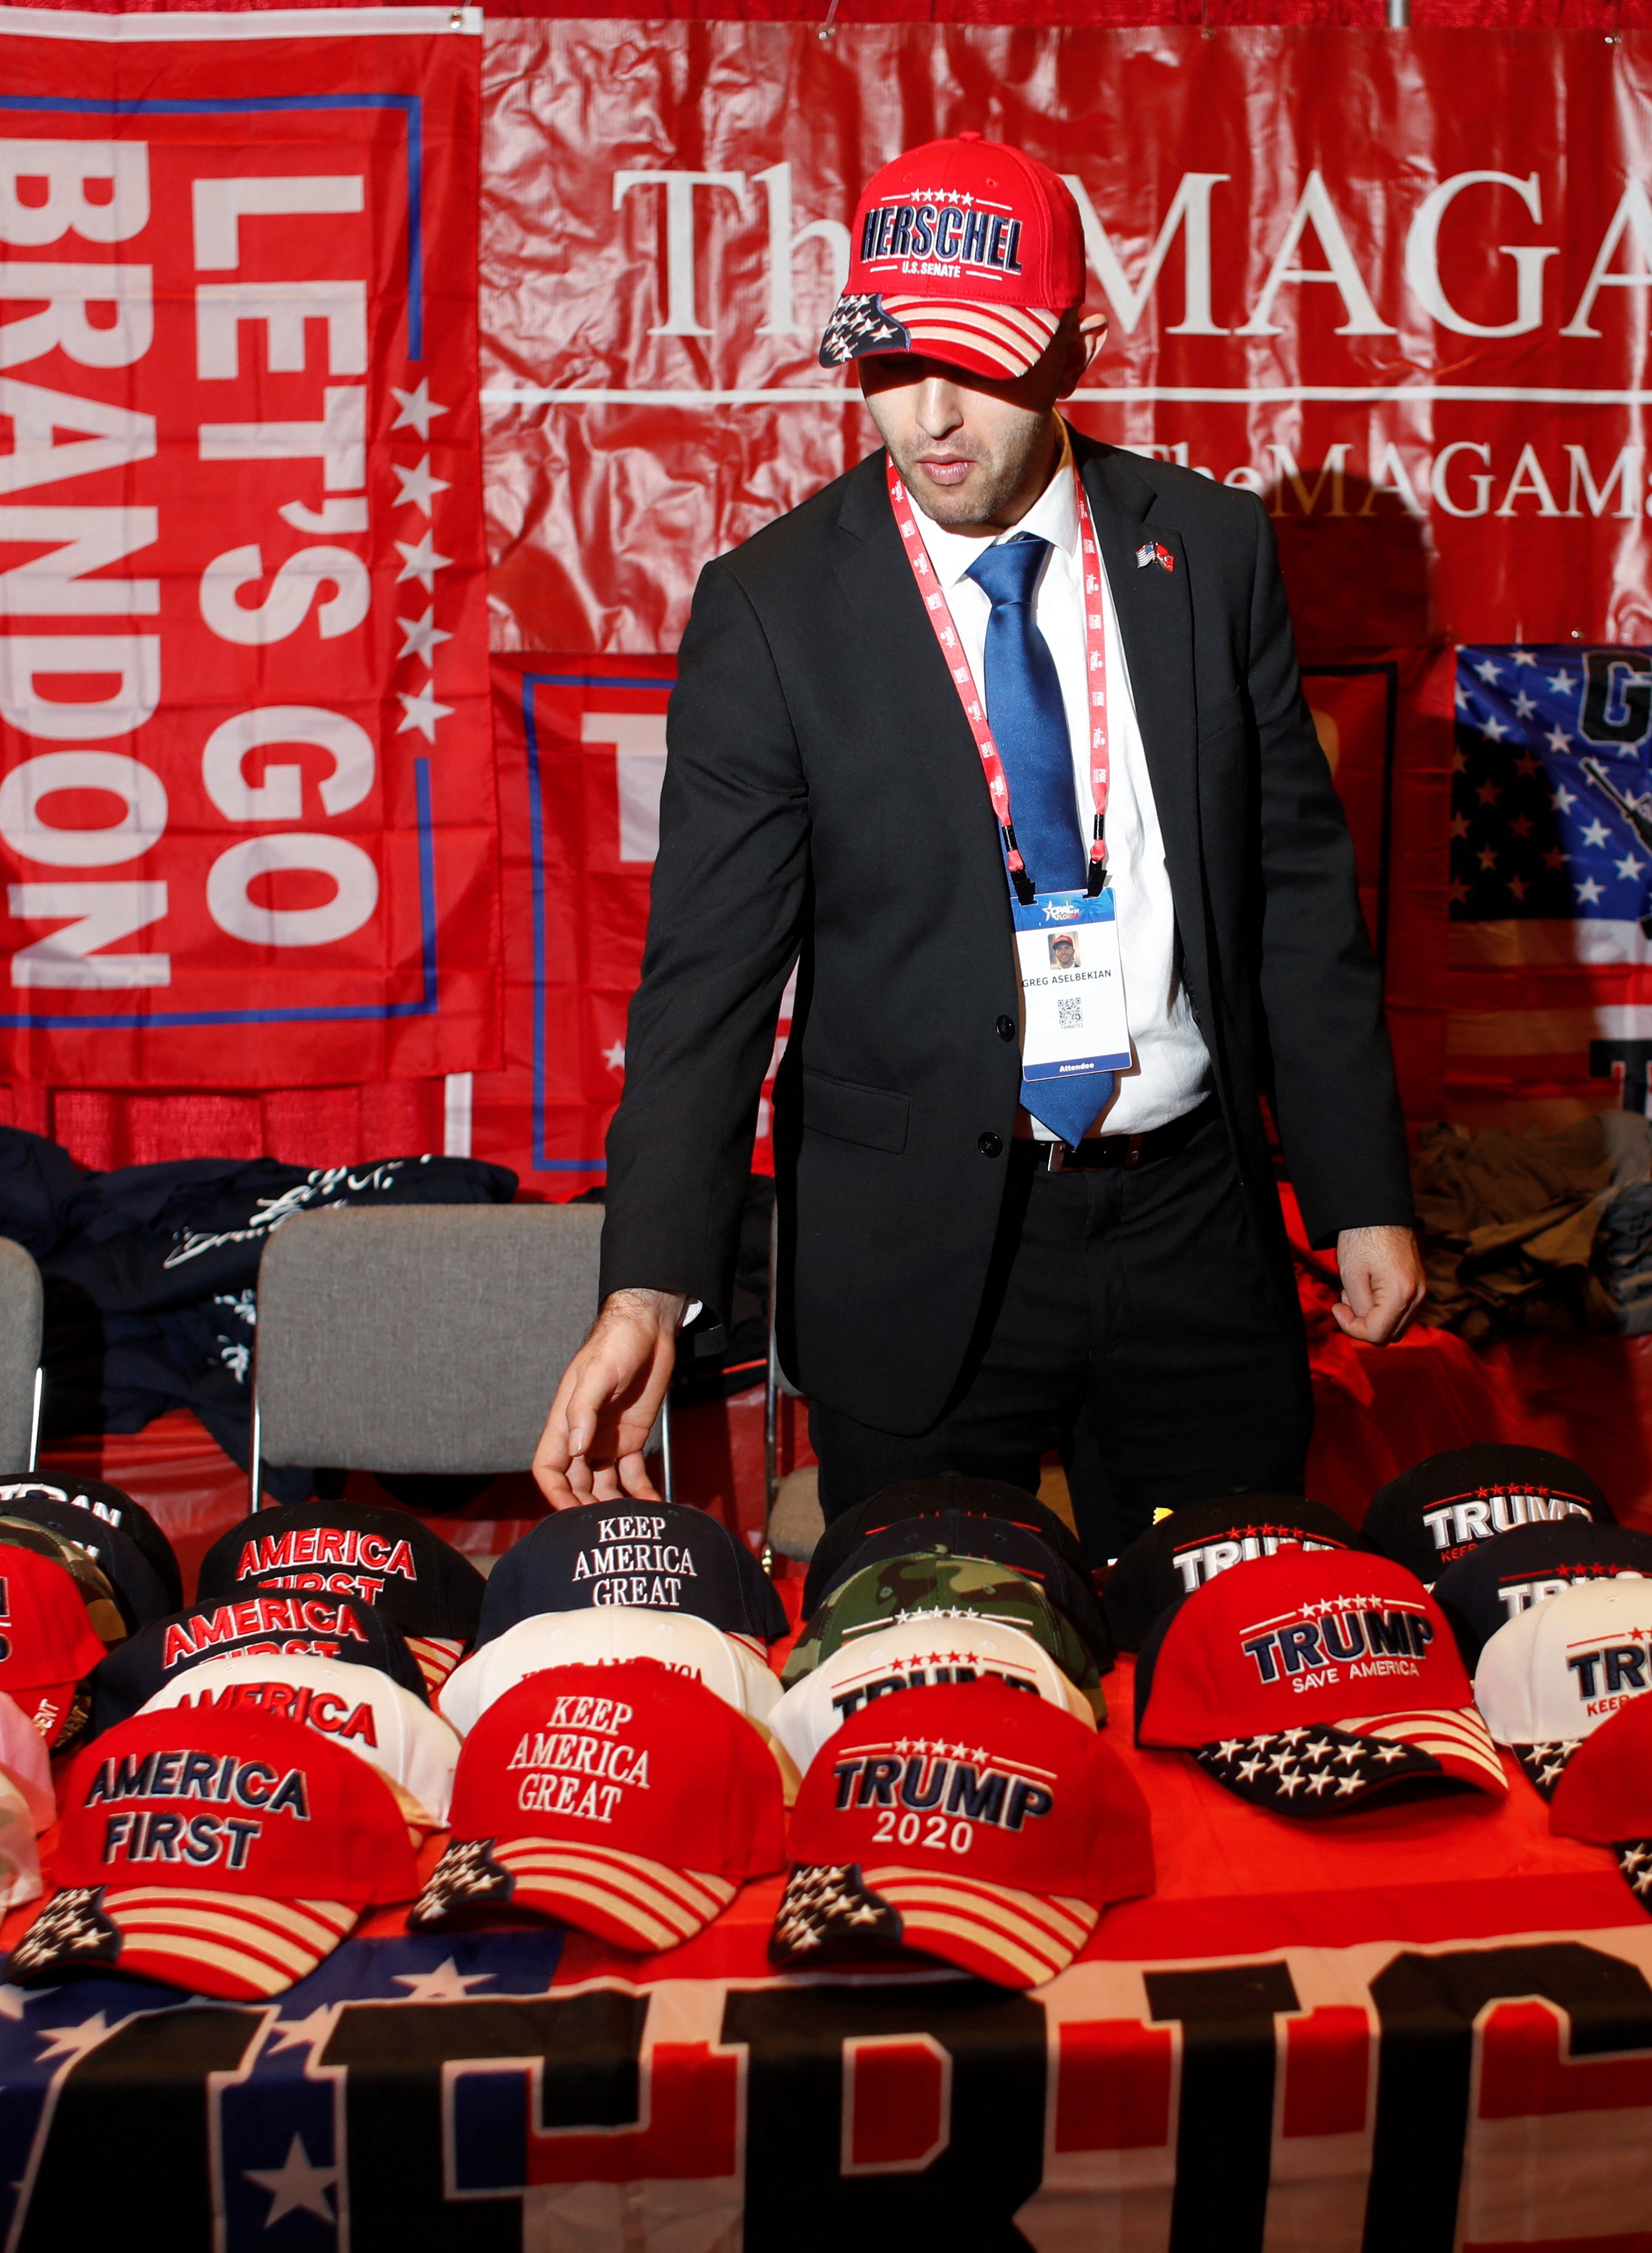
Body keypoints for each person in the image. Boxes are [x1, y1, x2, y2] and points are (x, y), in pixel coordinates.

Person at [531, 131, 1419, 1556]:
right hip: (921, 1257)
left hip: (1194, 1225)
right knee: (938, 1689)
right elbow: (705, 984)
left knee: (1224, 1642)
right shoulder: (770, 610)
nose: (931, 415)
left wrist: (1362, 1188)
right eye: (890, 366)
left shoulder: (1212, 548)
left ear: (1075, 347)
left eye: (981, 364)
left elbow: (1297, 897)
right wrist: (646, 1290)